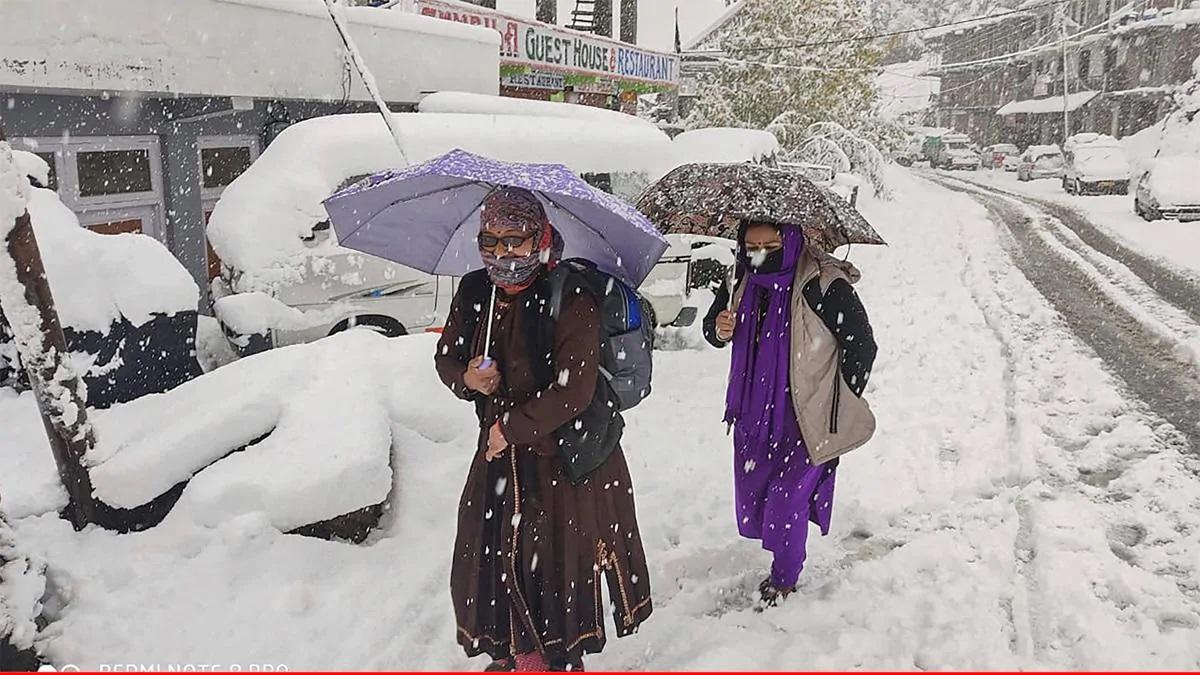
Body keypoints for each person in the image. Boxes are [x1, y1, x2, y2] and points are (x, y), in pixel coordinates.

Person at [435, 187, 652, 672]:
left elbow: (573, 390)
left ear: (541, 238)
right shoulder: (476, 291)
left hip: (562, 459)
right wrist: (468, 377)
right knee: (491, 560)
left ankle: (556, 658)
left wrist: (510, 428)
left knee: (552, 565)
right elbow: (446, 357)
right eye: (491, 241)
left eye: (516, 240)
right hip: (499, 458)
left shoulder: (570, 295)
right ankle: (515, 652)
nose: (504, 254)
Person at [703, 220, 877, 607]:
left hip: (806, 418)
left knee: (785, 500)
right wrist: (720, 328)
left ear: (792, 240)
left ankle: (785, 576)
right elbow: (711, 331)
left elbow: (862, 345)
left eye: (771, 244)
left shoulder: (823, 284)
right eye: (752, 246)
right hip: (755, 415)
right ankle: (784, 558)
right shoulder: (738, 278)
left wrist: (837, 400)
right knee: (762, 495)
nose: (760, 254)